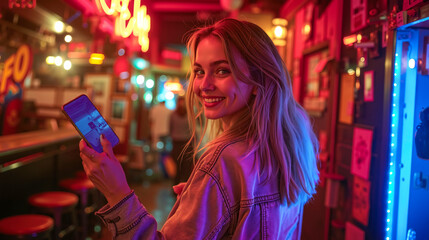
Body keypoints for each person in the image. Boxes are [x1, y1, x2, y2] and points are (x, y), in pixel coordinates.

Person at [79, 18, 319, 239]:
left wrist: (116, 192)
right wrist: (211, 203)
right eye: (199, 71)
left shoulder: (223, 159)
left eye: (222, 70)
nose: (204, 85)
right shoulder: (290, 143)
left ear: (258, 80)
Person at [169, 96, 193, 185]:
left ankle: (178, 189)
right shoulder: (189, 115)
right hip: (182, 143)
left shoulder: (173, 115)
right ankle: (180, 189)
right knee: (181, 168)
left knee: (182, 168)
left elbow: (170, 129)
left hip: (182, 143)